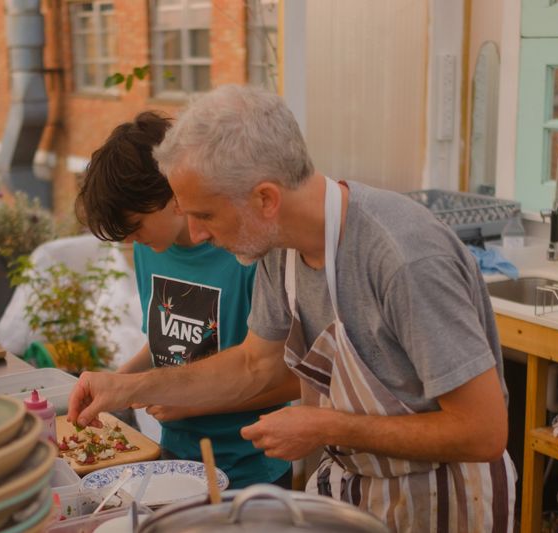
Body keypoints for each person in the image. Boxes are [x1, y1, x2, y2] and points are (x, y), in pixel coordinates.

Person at [69, 86, 516, 531]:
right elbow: (251, 365)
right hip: (359, 489)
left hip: (445, 501)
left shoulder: (403, 259)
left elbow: (483, 431)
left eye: (205, 215)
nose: (198, 235)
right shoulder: (277, 250)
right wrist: (127, 388)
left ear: (265, 198)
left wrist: (325, 426)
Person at [75, 111, 298, 489]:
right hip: (175, 458)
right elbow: (164, 344)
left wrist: (195, 402)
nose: (132, 241)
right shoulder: (152, 247)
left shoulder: (245, 253)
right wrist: (116, 382)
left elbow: (291, 377)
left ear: (173, 194)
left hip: (250, 470)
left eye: (135, 226)